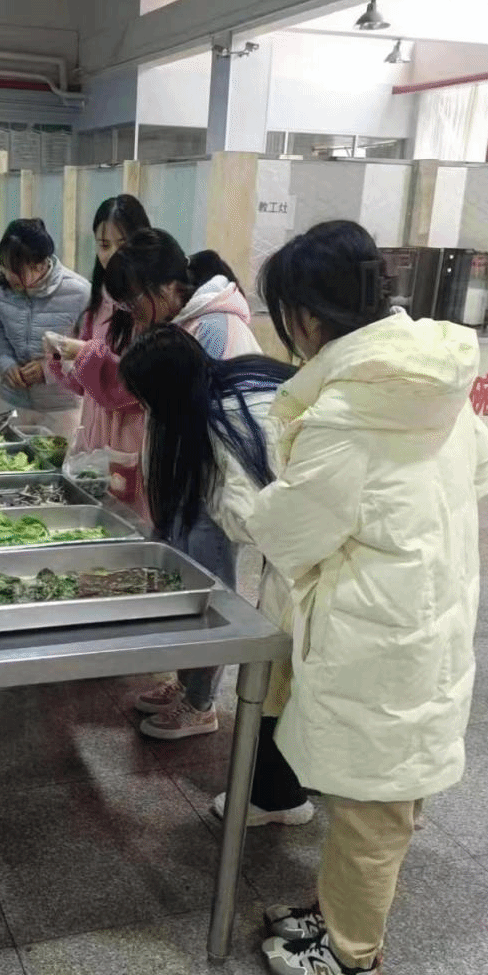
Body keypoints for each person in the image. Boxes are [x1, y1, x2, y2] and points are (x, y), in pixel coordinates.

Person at [225, 220, 488, 975]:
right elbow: (480, 471)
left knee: (375, 807)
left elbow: (291, 532)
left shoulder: (348, 412)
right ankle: (339, 917)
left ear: (308, 317)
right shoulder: (431, 376)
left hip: (382, 629)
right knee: (379, 796)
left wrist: (236, 493)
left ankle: (352, 959)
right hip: (427, 606)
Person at [119, 324, 314, 825]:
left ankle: (209, 712)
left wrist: (210, 506)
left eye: (145, 398)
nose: (144, 408)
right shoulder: (210, 391)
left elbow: (253, 521)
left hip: (307, 544)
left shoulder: (228, 419)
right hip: (300, 532)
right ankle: (194, 690)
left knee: (282, 661)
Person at [103, 229, 263, 739]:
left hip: (211, 489)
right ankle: (185, 682)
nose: (132, 313)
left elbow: (222, 424)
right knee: (183, 581)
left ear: (169, 287)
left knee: (207, 590)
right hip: (186, 479)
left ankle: (201, 703)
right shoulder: (186, 320)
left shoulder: (216, 327)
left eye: (134, 300)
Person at [44, 194, 151, 509]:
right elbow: (84, 384)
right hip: (96, 425)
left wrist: (85, 353)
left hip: (130, 429)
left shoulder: (149, 306)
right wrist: (60, 355)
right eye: (104, 245)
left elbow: (139, 385)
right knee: (95, 509)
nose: (112, 255)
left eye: (123, 244)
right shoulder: (99, 300)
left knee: (128, 512)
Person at [0, 218, 89, 433]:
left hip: (61, 407)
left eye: (15, 270)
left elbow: (90, 350)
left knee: (58, 455)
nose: (7, 276)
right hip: (13, 399)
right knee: (9, 453)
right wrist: (6, 364)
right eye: (3, 266)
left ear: (40, 265)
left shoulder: (80, 292)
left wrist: (49, 370)